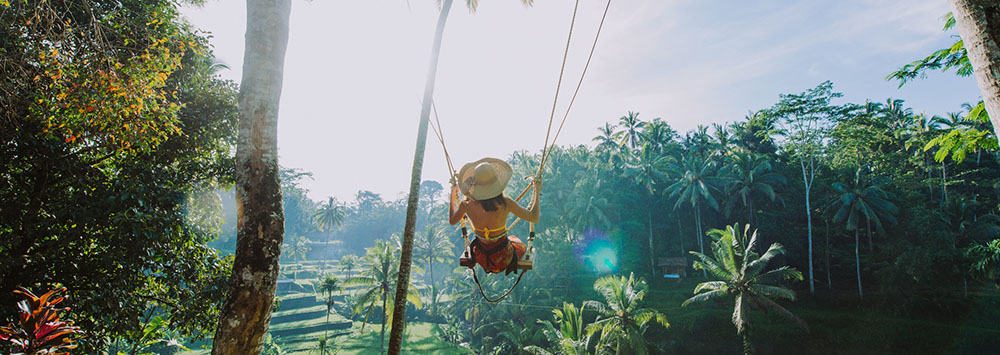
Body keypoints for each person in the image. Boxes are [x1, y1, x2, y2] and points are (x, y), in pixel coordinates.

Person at [449, 157, 540, 275]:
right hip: (503, 258)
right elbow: (534, 217)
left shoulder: (466, 204)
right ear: (496, 184)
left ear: (476, 185)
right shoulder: (505, 203)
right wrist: (537, 191)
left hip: (481, 257)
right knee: (516, 242)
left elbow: (452, 220)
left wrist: (453, 193)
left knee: (508, 240)